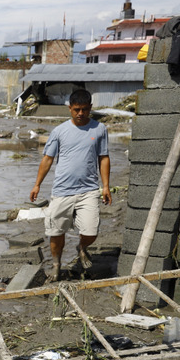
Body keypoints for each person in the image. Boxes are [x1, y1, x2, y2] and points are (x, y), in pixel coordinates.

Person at [29, 89, 111, 282]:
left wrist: (106, 186)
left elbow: (104, 158)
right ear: (69, 109)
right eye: (76, 110)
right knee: (56, 233)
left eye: (84, 109)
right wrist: (37, 185)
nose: (80, 114)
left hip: (88, 190)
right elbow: (48, 159)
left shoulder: (99, 129)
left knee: (91, 231)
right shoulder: (59, 131)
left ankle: (82, 247)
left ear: (90, 108)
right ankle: (56, 267)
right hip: (62, 191)